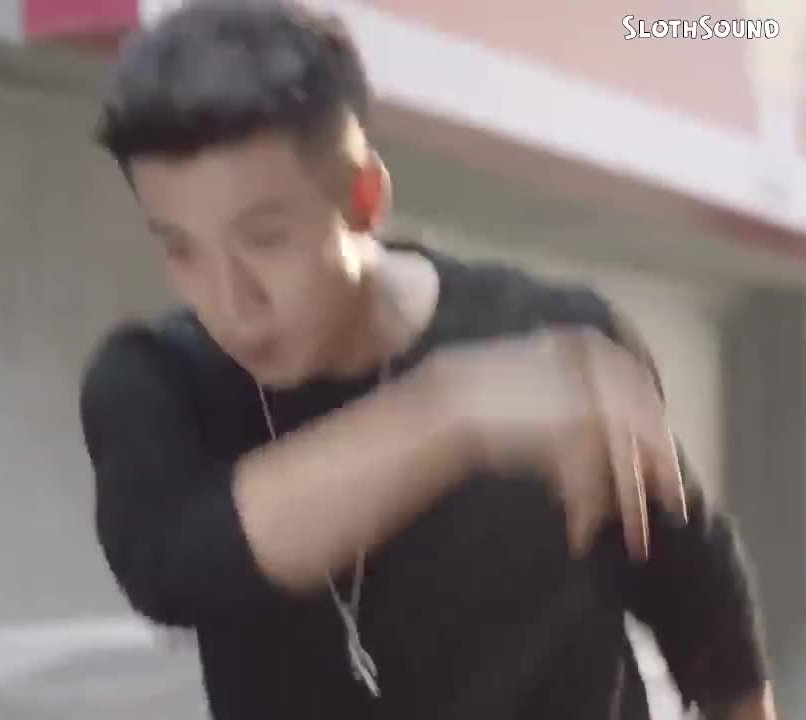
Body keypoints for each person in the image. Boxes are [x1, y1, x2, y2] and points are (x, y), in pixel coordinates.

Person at [77, 3, 776, 718]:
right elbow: (175, 563)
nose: (231, 301)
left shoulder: (555, 337)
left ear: (363, 198)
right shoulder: (158, 380)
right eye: (181, 249)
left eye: (265, 239)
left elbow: (705, 610)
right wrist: (456, 410)